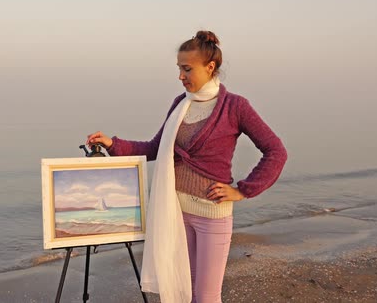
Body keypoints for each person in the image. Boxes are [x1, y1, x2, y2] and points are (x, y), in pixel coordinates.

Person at [86, 31, 287, 303]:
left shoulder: (235, 107)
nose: (181, 76)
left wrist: (242, 190)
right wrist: (112, 144)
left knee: (205, 297)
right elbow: (156, 148)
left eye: (187, 69)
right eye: (179, 68)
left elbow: (276, 151)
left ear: (210, 67)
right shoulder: (180, 104)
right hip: (176, 212)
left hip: (211, 216)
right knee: (182, 291)